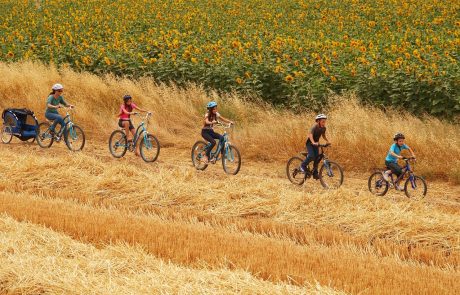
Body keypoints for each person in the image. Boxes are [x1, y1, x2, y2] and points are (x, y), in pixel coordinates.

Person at [300, 114, 330, 179]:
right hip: (310, 143)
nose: (324, 123)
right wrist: (313, 142)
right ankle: (302, 165)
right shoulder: (314, 127)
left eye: (325, 121)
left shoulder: (323, 128)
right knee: (311, 156)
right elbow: (310, 135)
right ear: (318, 121)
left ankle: (315, 173)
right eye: (323, 121)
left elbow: (323, 135)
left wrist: (327, 141)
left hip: (316, 143)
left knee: (317, 158)